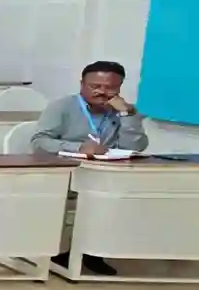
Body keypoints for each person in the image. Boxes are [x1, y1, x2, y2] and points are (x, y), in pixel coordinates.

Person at [30, 61, 146, 275]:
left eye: (110, 87)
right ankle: (64, 251)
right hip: (66, 171)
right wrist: (79, 147)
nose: (102, 92)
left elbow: (135, 147)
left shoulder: (121, 111)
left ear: (119, 87)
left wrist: (127, 116)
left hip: (106, 174)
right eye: (95, 86)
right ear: (82, 84)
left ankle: (92, 252)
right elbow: (40, 141)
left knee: (125, 196)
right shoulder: (62, 107)